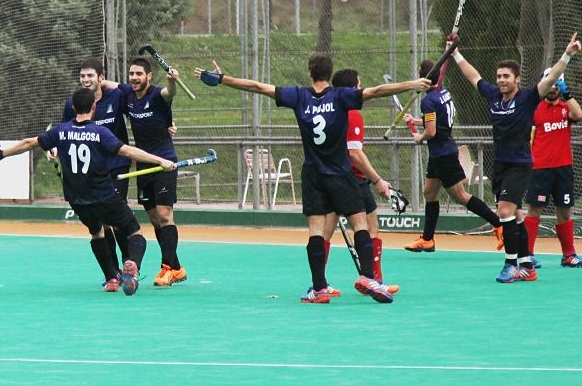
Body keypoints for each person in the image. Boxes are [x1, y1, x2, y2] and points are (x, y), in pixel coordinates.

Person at [195, 54, 431, 304]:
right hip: (340, 172)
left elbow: (256, 86)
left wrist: (221, 79)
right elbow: (377, 91)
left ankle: (319, 288)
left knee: (316, 231)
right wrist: (411, 84)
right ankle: (368, 277)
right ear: (330, 74)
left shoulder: (299, 96)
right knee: (360, 224)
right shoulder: (341, 96)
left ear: (310, 72)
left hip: (313, 174)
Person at [0, 88, 176, 296]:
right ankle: (131, 267)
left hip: (77, 198)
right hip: (105, 195)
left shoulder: (60, 131)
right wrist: (160, 160)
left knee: (97, 233)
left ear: (73, 107)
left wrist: (2, 153)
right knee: (134, 232)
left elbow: (29, 143)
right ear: (94, 107)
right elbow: (127, 150)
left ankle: (111, 279)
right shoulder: (100, 132)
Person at [451, 32, 582, 283]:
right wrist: (455, 53)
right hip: (500, 165)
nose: (501, 80)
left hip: (520, 165)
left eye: (506, 77)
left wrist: (567, 54)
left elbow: (552, 76)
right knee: (517, 216)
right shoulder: (492, 96)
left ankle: (511, 265)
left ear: (517, 79)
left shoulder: (527, 98)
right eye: (499, 76)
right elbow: (473, 76)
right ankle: (526, 265)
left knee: (504, 211)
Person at [402, 59, 502, 253]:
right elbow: (438, 121)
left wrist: (419, 137)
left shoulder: (428, 101)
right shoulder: (443, 92)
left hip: (443, 154)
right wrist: (416, 120)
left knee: (461, 196)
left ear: (422, 77)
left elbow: (431, 131)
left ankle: (499, 224)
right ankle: (428, 239)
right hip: (440, 151)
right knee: (429, 192)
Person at [102, 58, 186, 287]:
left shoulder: (158, 94)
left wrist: (173, 81)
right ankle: (177, 268)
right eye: (132, 74)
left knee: (165, 213)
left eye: (139, 74)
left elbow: (170, 93)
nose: (134, 78)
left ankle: (167, 268)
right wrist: (97, 80)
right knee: (154, 218)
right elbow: (109, 84)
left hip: (165, 162)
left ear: (149, 76)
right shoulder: (128, 93)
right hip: (144, 165)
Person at [54, 58, 132, 289]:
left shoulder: (116, 97)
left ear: (101, 77)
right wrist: (55, 151)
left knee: (118, 222)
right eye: (82, 76)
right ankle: (113, 272)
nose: (86, 80)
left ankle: (130, 268)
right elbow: (64, 133)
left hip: (116, 166)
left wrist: (167, 123)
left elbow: (137, 111)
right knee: (101, 224)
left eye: (90, 76)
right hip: (89, 174)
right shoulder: (74, 104)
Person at [319, 68, 399, 294]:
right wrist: (378, 180)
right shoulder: (352, 112)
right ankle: (374, 280)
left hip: (330, 176)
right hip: (353, 179)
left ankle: (319, 284)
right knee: (370, 227)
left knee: (324, 231)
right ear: (354, 88)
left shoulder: (327, 110)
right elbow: (354, 153)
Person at [524, 69, 582, 268]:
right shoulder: (535, 109)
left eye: (557, 84)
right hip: (540, 169)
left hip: (563, 169)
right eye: (550, 83)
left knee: (565, 212)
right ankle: (527, 255)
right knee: (534, 210)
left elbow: (578, 115)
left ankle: (569, 256)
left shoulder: (565, 107)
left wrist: (566, 92)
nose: (553, 88)